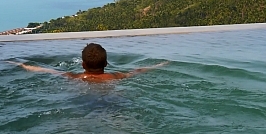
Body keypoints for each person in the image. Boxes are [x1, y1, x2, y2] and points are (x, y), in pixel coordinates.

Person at [10, 43, 168, 82]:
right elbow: (139, 70)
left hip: (83, 102)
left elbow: (42, 70)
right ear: (106, 64)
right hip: (113, 100)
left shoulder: (73, 77)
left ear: (83, 64)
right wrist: (162, 64)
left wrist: (20, 64)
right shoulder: (116, 76)